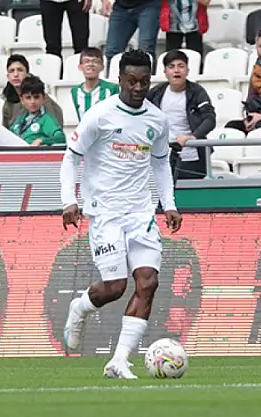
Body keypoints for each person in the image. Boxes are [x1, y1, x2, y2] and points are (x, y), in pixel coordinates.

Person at [59, 49, 182, 379]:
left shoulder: (157, 120)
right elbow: (71, 157)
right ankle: (80, 307)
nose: (138, 88)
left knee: (148, 282)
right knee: (114, 287)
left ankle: (119, 360)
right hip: (106, 213)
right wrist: (69, 201)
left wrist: (169, 204)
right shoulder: (100, 115)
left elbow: (160, 164)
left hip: (141, 213)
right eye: (131, 81)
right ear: (120, 80)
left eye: (144, 81)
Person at [146, 49, 215, 180]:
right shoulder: (157, 92)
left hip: (192, 157)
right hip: (162, 156)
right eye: (171, 67)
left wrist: (193, 137)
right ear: (165, 71)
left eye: (181, 66)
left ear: (187, 71)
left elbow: (210, 119)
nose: (176, 71)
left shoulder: (197, 92)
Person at [9, 75, 66, 146]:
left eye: (36, 97)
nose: (33, 101)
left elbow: (61, 138)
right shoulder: (19, 120)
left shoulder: (46, 119)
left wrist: (41, 140)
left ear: (43, 98)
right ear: (22, 100)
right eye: (28, 98)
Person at [70, 47, 120, 121]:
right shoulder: (75, 91)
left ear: (102, 67)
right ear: (80, 67)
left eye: (95, 61)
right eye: (86, 61)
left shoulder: (112, 88)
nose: (91, 64)